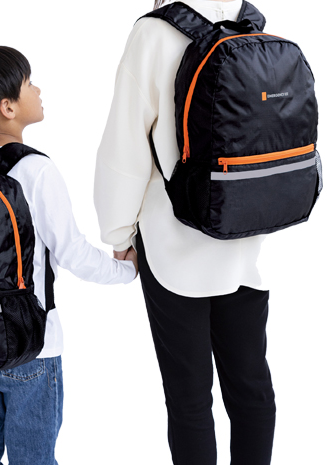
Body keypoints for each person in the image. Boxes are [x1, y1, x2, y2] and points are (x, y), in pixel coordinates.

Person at [94, 1, 276, 464]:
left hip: (172, 242)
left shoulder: (153, 32)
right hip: (247, 236)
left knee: (189, 397)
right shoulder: (248, 18)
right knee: (252, 386)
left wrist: (118, 234)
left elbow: (125, 148)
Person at [0, 45, 138, 465]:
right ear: (8, 107)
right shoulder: (35, 170)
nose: (38, 90)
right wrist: (126, 270)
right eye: (29, 83)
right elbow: (72, 252)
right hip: (30, 346)